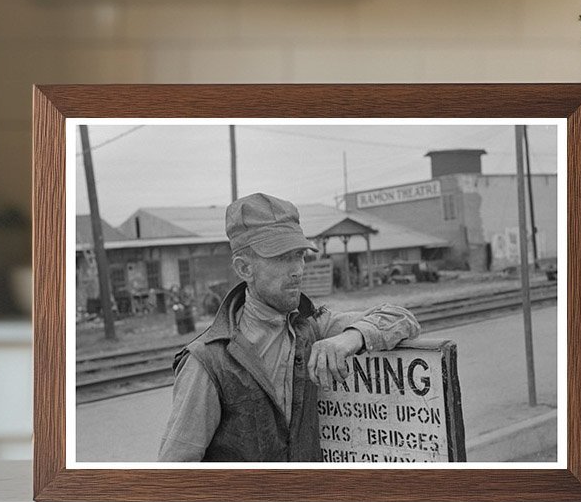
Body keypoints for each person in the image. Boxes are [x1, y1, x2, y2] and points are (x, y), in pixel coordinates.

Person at [159, 192, 421, 462]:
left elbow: (401, 318)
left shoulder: (309, 326)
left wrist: (349, 339)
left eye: (299, 255)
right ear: (244, 269)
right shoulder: (208, 361)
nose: (298, 269)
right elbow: (175, 472)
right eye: (282, 258)